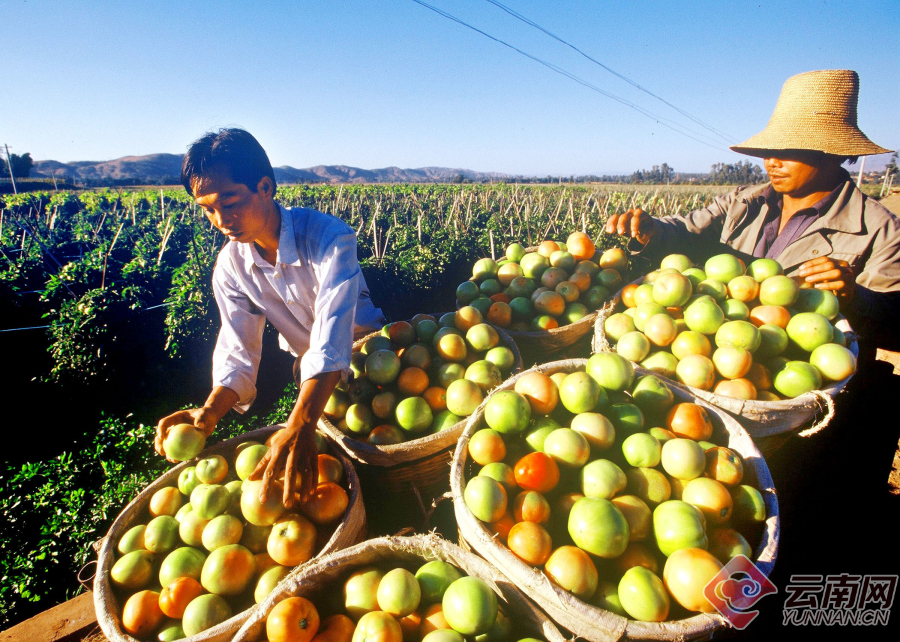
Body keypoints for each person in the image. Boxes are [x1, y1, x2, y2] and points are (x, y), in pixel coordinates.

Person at [154, 128, 384, 508]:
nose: (221, 219)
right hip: (317, 389)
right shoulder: (231, 266)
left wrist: (301, 422)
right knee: (339, 479)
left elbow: (332, 332)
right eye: (208, 209)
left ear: (265, 186)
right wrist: (209, 412)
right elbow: (237, 348)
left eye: (230, 202)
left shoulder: (329, 237)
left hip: (376, 364)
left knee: (379, 462)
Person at [605, 69, 898, 348]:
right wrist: (652, 230)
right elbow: (687, 230)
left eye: (789, 149)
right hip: (718, 353)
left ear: (834, 153)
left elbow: (893, 326)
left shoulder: (878, 229)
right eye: (769, 149)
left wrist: (853, 296)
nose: (771, 160)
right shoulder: (742, 203)